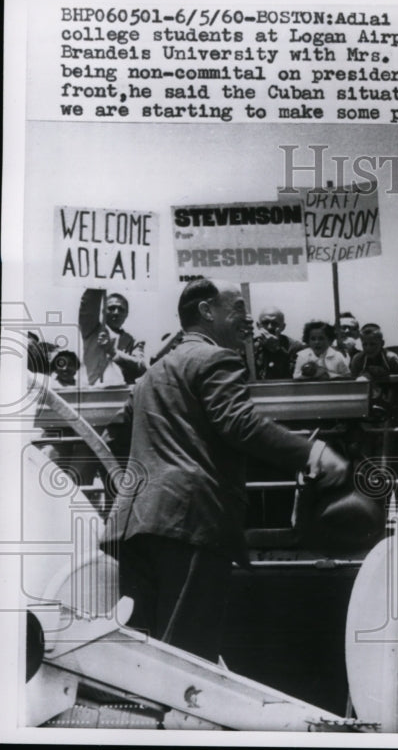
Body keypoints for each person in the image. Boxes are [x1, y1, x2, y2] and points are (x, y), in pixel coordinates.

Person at [101, 279, 350, 661]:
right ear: (206, 311)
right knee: (186, 662)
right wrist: (314, 452)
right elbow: (241, 424)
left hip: (135, 531)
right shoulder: (216, 360)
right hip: (191, 526)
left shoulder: (150, 376)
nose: (247, 319)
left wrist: (145, 487)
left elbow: (114, 437)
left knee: (140, 665)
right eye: (236, 309)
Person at [79, 289, 146, 386]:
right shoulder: (91, 330)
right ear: (103, 311)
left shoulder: (134, 341)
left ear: (126, 314)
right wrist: (98, 282)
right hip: (92, 393)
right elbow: (88, 305)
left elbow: (141, 368)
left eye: (121, 309)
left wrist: (112, 352)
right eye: (111, 308)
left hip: (121, 395)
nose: (116, 312)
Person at [350, 323, 398, 421]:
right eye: (365, 344)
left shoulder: (391, 358)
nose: (369, 348)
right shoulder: (358, 359)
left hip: (389, 394)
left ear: (382, 343)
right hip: (365, 397)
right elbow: (353, 381)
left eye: (373, 344)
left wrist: (384, 375)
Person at [251, 306, 303, 380]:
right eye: (265, 323)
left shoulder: (295, 347)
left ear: (283, 327)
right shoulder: (250, 347)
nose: (269, 327)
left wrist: (277, 350)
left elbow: (295, 377)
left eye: (274, 323)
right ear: (258, 325)